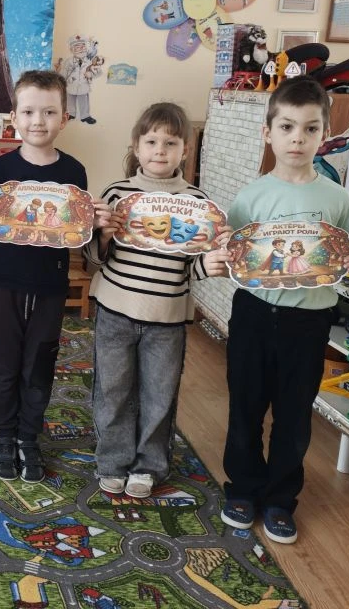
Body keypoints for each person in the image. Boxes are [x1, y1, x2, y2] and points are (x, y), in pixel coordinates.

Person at [221, 76, 349, 544]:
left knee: (293, 415)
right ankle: (243, 488)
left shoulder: (337, 198)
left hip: (308, 320)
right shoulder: (250, 197)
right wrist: (218, 255)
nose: (297, 139)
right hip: (253, 313)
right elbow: (231, 258)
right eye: (286, 127)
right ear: (267, 132)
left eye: (310, 129)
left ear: (324, 134)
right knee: (245, 406)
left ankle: (280, 499)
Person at [86, 102, 231, 500]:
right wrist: (103, 235)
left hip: (167, 317)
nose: (160, 150)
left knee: (159, 394)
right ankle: (112, 461)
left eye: (171, 143)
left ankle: (148, 466)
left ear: (186, 150)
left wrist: (210, 265)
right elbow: (95, 258)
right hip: (115, 310)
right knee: (112, 390)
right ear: (136, 146)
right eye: (151, 141)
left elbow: (193, 265)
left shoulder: (198, 203)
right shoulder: (117, 193)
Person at [0, 71, 89, 483]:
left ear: (64, 119)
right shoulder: (0, 168)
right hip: (2, 282)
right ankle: (4, 435)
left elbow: (74, 231)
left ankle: (28, 437)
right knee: (1, 364)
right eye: (30, 112)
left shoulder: (74, 171)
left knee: (39, 364)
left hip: (50, 286)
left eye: (49, 112)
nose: (39, 121)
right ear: (15, 117)